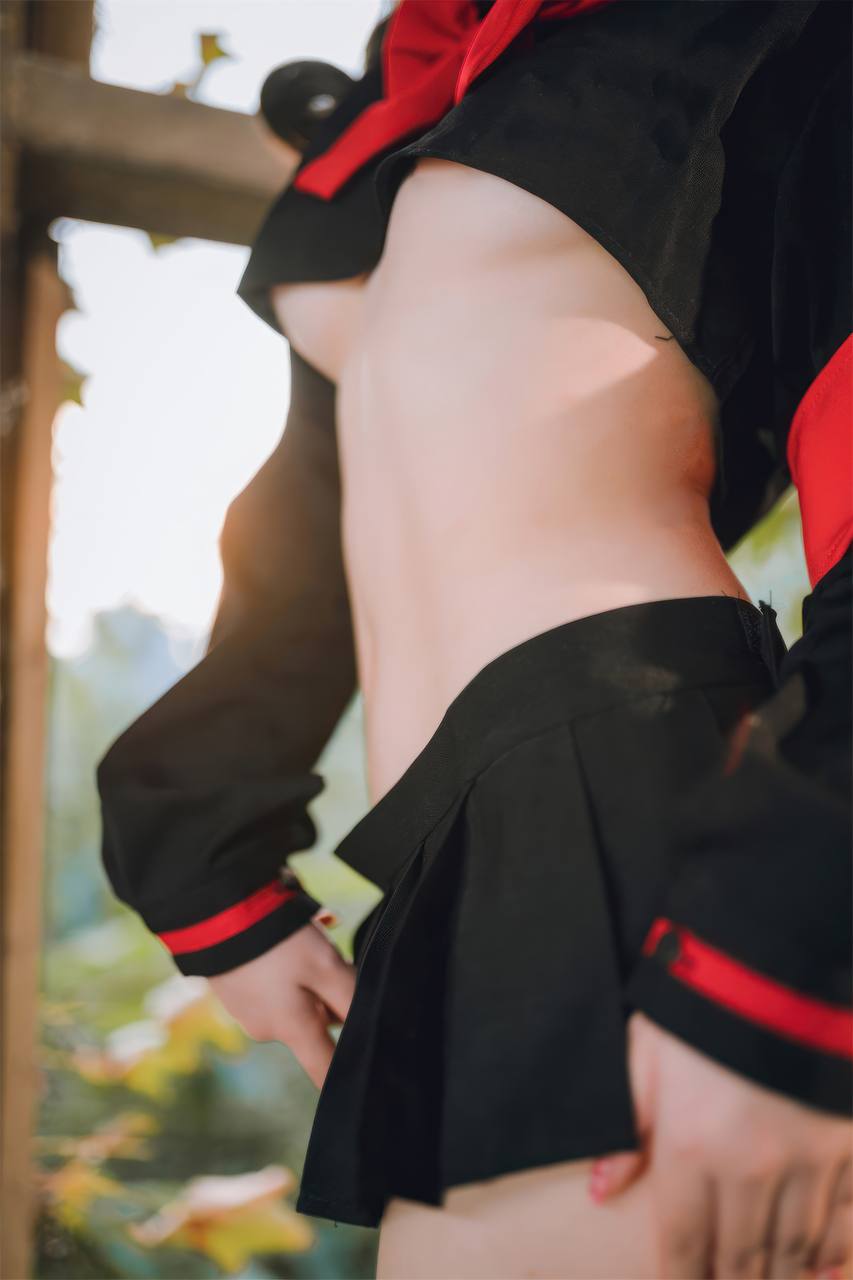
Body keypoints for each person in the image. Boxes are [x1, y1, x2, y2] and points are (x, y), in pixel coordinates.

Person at [96, 2, 853, 1276]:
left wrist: (789, 956)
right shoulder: (445, 101)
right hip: (451, 851)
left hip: (642, 809)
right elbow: (317, 516)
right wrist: (205, 848)